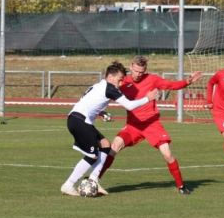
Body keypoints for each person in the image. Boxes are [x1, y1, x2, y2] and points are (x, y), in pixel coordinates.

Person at [97, 55, 203, 195]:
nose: (138, 74)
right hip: (133, 126)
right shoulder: (123, 82)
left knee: (167, 154)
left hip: (152, 124)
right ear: (131, 67)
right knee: (114, 147)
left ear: (145, 70)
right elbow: (103, 96)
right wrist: (102, 112)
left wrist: (187, 81)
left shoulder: (152, 79)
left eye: (141, 72)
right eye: (135, 71)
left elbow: (171, 85)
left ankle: (181, 186)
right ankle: (95, 179)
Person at [61, 61, 158, 197]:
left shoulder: (97, 85)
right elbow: (129, 106)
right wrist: (147, 98)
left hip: (78, 119)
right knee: (92, 155)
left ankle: (94, 179)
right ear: (111, 77)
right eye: (119, 80)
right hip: (80, 121)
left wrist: (101, 113)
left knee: (106, 145)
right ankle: (68, 185)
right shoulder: (110, 88)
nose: (120, 84)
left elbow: (85, 100)